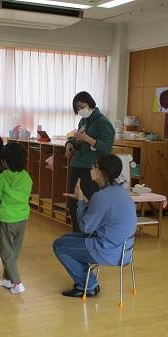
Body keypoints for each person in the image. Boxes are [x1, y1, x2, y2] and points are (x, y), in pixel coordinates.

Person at [53, 154, 137, 297]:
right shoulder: (121, 192)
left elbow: (85, 226)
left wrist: (80, 202)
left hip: (108, 251)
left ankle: (88, 284)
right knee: (68, 238)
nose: (92, 169)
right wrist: (85, 200)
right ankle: (87, 280)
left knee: (59, 245)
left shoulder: (102, 196)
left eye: (95, 166)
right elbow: (101, 213)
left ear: (102, 172)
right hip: (124, 249)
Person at [65, 91, 115, 232]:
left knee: (90, 201)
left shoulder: (103, 122)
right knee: (74, 201)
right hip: (77, 165)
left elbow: (106, 147)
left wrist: (88, 139)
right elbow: (77, 140)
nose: (81, 110)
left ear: (90, 104)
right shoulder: (83, 121)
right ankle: (77, 231)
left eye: (82, 106)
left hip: (91, 168)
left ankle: (89, 233)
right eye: (78, 108)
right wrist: (70, 143)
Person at [0, 143, 32, 295]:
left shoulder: (2, 177)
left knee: (6, 252)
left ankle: (17, 282)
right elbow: (27, 194)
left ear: (5, 162)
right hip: (22, 217)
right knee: (14, 250)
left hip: (6, 218)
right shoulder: (27, 177)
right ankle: (7, 279)